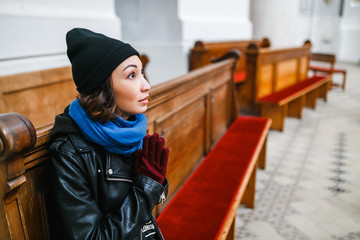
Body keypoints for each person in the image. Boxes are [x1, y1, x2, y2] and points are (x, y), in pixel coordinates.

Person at [49, 28, 169, 240]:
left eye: (141, 73)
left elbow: (154, 199)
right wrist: (145, 187)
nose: (147, 85)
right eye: (132, 75)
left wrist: (155, 182)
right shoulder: (69, 153)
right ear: (103, 88)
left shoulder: (129, 128)